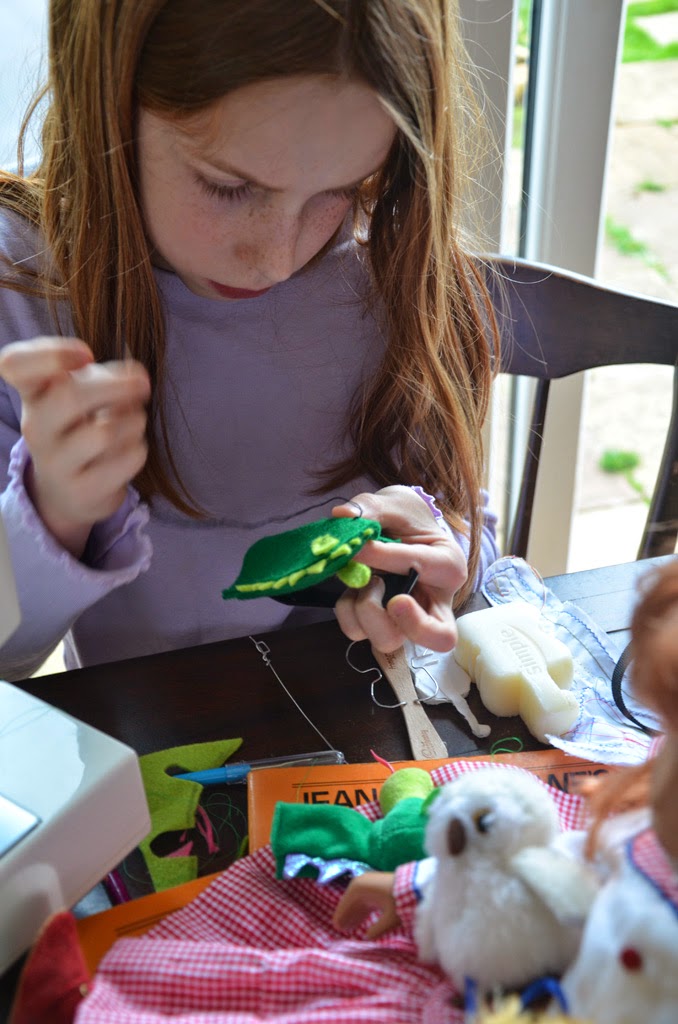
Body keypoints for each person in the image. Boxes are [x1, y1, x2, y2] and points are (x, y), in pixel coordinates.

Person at [0, 0, 500, 681]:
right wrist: (52, 510)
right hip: (140, 735)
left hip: (357, 719)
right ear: (108, 100)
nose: (277, 260)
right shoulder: (22, 290)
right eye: (229, 186)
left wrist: (434, 558)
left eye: (340, 190)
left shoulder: (394, 261)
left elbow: (468, 529)